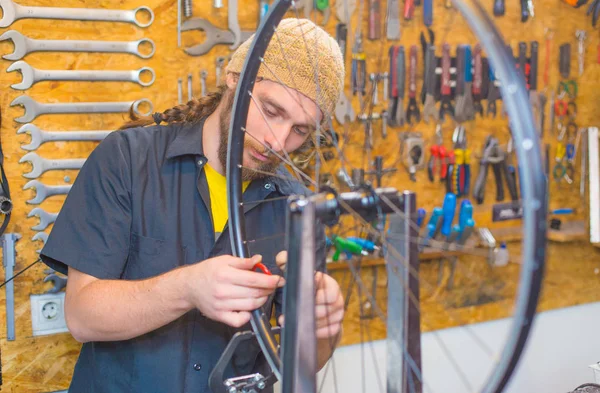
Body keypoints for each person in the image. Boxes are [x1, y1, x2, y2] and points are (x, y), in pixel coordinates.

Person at [40, 18, 346, 393]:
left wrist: (325, 327)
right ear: (234, 77)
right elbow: (82, 316)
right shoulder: (127, 160)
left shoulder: (297, 206)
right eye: (271, 110)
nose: (278, 141)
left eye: (300, 129)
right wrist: (187, 288)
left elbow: (301, 361)